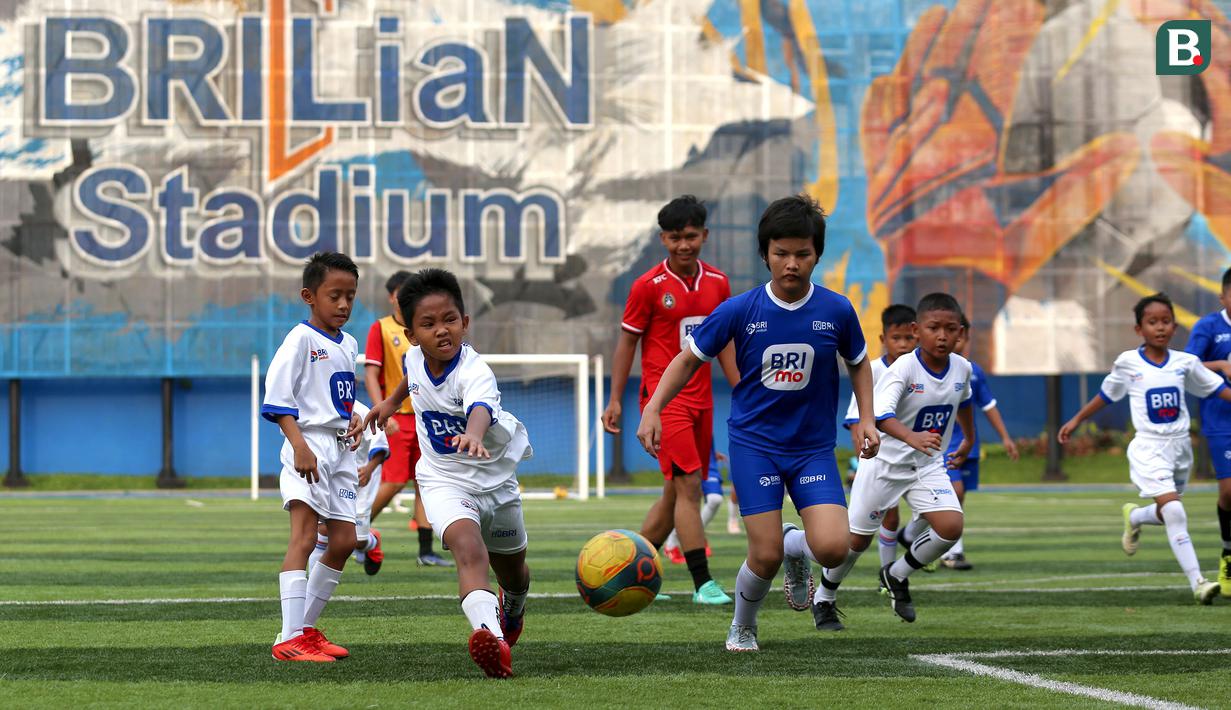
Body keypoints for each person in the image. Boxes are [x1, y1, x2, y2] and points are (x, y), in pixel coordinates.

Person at [636, 193, 879, 652]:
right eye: (781, 253)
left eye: (802, 253)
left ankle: (796, 546)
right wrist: (652, 408)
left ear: (817, 254)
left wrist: (867, 417)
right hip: (755, 446)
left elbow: (859, 362)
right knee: (764, 556)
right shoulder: (740, 310)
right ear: (765, 254)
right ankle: (743, 626)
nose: (792, 264)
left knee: (833, 548)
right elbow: (687, 360)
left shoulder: (837, 310)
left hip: (812, 448)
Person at [357, 268, 532, 678]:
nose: (441, 330)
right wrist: (389, 403)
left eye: (450, 319)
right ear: (412, 334)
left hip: (496, 483)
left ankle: (514, 607)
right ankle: (493, 640)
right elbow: (411, 378)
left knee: (514, 572)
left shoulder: (475, 371)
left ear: (465, 322)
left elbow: (480, 408)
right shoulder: (414, 357)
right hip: (444, 480)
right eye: (429, 323)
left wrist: (474, 434)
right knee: (468, 550)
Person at [603, 195, 740, 605]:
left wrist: (742, 388)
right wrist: (615, 399)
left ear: (704, 235)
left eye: (691, 236)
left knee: (674, 492)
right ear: (663, 239)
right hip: (664, 403)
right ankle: (702, 583)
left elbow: (725, 342)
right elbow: (627, 343)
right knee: (690, 486)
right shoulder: (647, 286)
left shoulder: (718, 283)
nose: (684, 245)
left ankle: (627, 575)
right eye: (675, 237)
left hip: (702, 402)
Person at [811, 293, 975, 628]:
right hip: (884, 466)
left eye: (950, 329)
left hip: (926, 465)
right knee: (855, 542)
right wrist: (912, 437)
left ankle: (896, 574)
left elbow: (965, 401)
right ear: (917, 330)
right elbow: (880, 415)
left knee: (950, 527)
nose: (942, 336)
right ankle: (824, 596)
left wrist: (969, 438)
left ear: (960, 333)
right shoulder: (903, 368)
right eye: (934, 328)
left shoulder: (962, 367)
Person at [1061, 293, 1231, 605]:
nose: (1160, 327)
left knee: (1168, 512)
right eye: (1152, 322)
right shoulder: (1128, 363)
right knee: (1175, 511)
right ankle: (1198, 582)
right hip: (1149, 448)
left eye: (1166, 321)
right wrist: (1076, 420)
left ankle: (1137, 516)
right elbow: (1106, 395)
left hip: (1181, 449)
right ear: (1139, 329)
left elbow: (1217, 388)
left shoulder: (1185, 363)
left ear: (1175, 327)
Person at [263, 251, 362, 663]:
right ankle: (289, 640)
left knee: (345, 540)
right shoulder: (300, 339)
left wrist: (353, 415)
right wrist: (300, 445)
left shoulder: (349, 344)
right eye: (334, 295)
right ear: (309, 296)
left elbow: (335, 396)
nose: (343, 304)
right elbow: (278, 399)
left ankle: (304, 629)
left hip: (340, 451)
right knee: (304, 539)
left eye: (350, 296)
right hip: (309, 447)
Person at [364, 270, 452, 567]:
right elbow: (371, 374)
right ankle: (353, 531)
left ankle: (426, 551)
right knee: (394, 481)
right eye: (403, 293)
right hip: (398, 418)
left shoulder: (425, 327)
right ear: (392, 297)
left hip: (426, 418)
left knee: (424, 483)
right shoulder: (381, 328)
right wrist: (382, 408)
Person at [841, 304, 917, 578]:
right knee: (879, 522)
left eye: (909, 338)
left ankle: (892, 570)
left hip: (915, 459)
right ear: (884, 339)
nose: (903, 344)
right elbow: (856, 421)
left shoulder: (920, 370)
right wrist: (863, 459)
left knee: (935, 514)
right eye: (897, 338)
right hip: (880, 461)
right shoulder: (871, 371)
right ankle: (886, 573)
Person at [939, 315, 1019, 570]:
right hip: (940, 446)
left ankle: (933, 542)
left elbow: (988, 405)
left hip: (967, 444)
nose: (954, 340)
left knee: (957, 498)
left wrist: (1005, 437)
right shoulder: (928, 369)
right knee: (955, 492)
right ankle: (951, 551)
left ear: (964, 336)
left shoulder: (972, 372)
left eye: (958, 334)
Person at [1183, 267, 1231, 595]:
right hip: (1221, 419)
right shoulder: (1209, 327)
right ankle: (1228, 552)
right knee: (1229, 493)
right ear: (1222, 297)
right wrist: (1221, 366)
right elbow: (1186, 365)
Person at [308, 401, 389, 576]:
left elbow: (380, 446)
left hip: (362, 480)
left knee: (356, 540)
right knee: (322, 528)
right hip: (333, 476)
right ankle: (311, 586)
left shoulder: (363, 412)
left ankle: (372, 541)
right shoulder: (324, 405)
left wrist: (369, 469)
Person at [663, 448, 730, 562]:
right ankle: (672, 544)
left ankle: (696, 536)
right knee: (683, 499)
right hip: (686, 453)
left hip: (708, 458)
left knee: (715, 499)